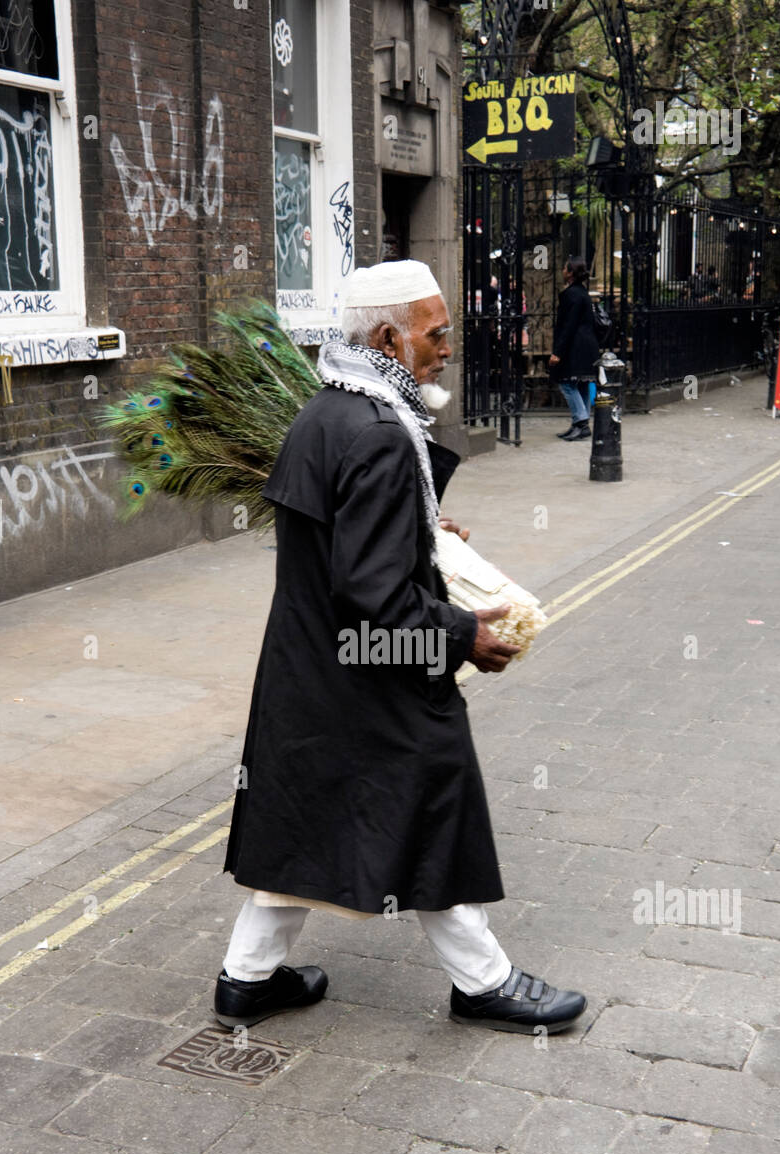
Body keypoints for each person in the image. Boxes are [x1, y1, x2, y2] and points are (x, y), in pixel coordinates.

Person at [214, 259, 587, 1037]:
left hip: (312, 665)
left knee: (305, 812)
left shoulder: (330, 408)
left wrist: (422, 534)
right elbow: (377, 599)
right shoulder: (381, 430)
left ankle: (247, 980)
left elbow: (341, 544)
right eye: (436, 333)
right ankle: (484, 984)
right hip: (369, 672)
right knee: (434, 793)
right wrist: (468, 635)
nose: (448, 346)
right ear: (388, 337)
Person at [549, 256, 600, 441]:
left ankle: (581, 422)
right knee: (583, 384)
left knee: (567, 384)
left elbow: (568, 326)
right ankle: (579, 424)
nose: (562, 271)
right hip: (589, 345)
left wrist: (557, 352)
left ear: (570, 273)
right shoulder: (582, 292)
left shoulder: (571, 294)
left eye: (564, 268)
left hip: (575, 346)